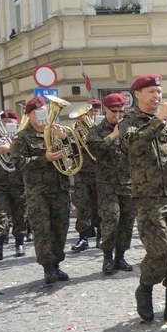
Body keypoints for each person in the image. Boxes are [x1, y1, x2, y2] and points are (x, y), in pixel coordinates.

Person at [119, 74, 167, 326]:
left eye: (159, 92)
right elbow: (133, 146)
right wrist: (160, 119)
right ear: (137, 94)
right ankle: (145, 288)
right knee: (161, 250)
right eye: (151, 91)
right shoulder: (128, 121)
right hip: (149, 197)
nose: (157, 96)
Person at [10, 97, 71, 285]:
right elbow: (18, 163)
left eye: (43, 110)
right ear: (28, 115)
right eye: (36, 111)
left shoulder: (53, 133)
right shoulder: (22, 137)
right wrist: (44, 158)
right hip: (38, 192)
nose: (41, 114)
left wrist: (65, 139)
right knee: (43, 230)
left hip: (60, 188)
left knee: (60, 228)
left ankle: (57, 264)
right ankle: (48, 268)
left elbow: (73, 154)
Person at [86, 93, 136, 276]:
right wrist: (113, 135)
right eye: (114, 111)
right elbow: (94, 150)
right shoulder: (96, 130)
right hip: (107, 184)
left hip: (128, 182)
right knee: (111, 220)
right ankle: (107, 257)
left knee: (127, 220)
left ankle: (120, 257)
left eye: (121, 111)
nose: (117, 114)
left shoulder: (129, 128)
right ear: (106, 109)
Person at [0, 110, 27, 259]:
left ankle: (19, 244)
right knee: (2, 214)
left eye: (10, 121)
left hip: (20, 182)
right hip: (0, 183)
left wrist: (11, 148)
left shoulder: (21, 136)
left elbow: (26, 154)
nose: (6, 123)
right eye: (4, 121)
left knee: (20, 214)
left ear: (17, 123)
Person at [71, 100, 103, 252]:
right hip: (83, 171)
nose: (93, 113)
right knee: (82, 205)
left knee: (101, 205)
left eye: (96, 110)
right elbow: (71, 149)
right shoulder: (77, 129)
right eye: (91, 111)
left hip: (100, 171)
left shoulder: (103, 127)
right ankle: (83, 237)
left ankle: (101, 235)